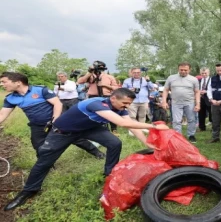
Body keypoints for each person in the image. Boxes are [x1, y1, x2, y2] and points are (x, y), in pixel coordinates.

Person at [3, 88, 169, 211]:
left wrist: (146, 142)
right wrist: (153, 126)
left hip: (89, 128)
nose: (126, 106)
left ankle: (108, 174)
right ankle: (28, 191)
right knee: (44, 161)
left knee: (114, 143)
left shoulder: (119, 108)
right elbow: (123, 123)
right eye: (124, 103)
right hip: (62, 132)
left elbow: (132, 126)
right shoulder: (96, 103)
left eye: (128, 104)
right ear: (113, 98)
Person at [0, 72, 104, 159]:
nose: (2, 84)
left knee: (75, 138)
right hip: (37, 126)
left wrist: (55, 120)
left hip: (56, 121)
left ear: (18, 82)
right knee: (38, 145)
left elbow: (57, 103)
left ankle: (97, 153)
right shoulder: (10, 98)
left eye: (4, 82)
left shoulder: (40, 90)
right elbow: (2, 114)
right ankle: (46, 165)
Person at [77, 61, 119, 136]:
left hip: (106, 96)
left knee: (111, 112)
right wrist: (90, 72)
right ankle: (96, 129)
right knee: (95, 114)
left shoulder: (109, 76)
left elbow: (116, 88)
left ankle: (114, 129)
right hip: (93, 97)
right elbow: (80, 81)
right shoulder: (90, 76)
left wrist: (105, 86)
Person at [161, 62, 200, 143]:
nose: (183, 71)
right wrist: (164, 101)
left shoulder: (194, 79)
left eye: (185, 70)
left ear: (189, 70)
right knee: (176, 120)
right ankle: (178, 136)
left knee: (192, 119)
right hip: (176, 103)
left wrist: (198, 103)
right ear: (178, 69)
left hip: (189, 102)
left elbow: (197, 92)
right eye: (181, 70)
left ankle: (191, 135)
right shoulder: (171, 78)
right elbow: (166, 90)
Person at [198, 67, 212, 131]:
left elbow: (213, 89)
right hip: (201, 98)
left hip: (209, 98)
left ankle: (214, 128)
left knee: (212, 114)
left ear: (209, 73)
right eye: (202, 73)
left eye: (205, 73)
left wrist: (206, 91)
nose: (204, 74)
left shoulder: (212, 80)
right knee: (201, 114)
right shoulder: (199, 80)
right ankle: (202, 128)